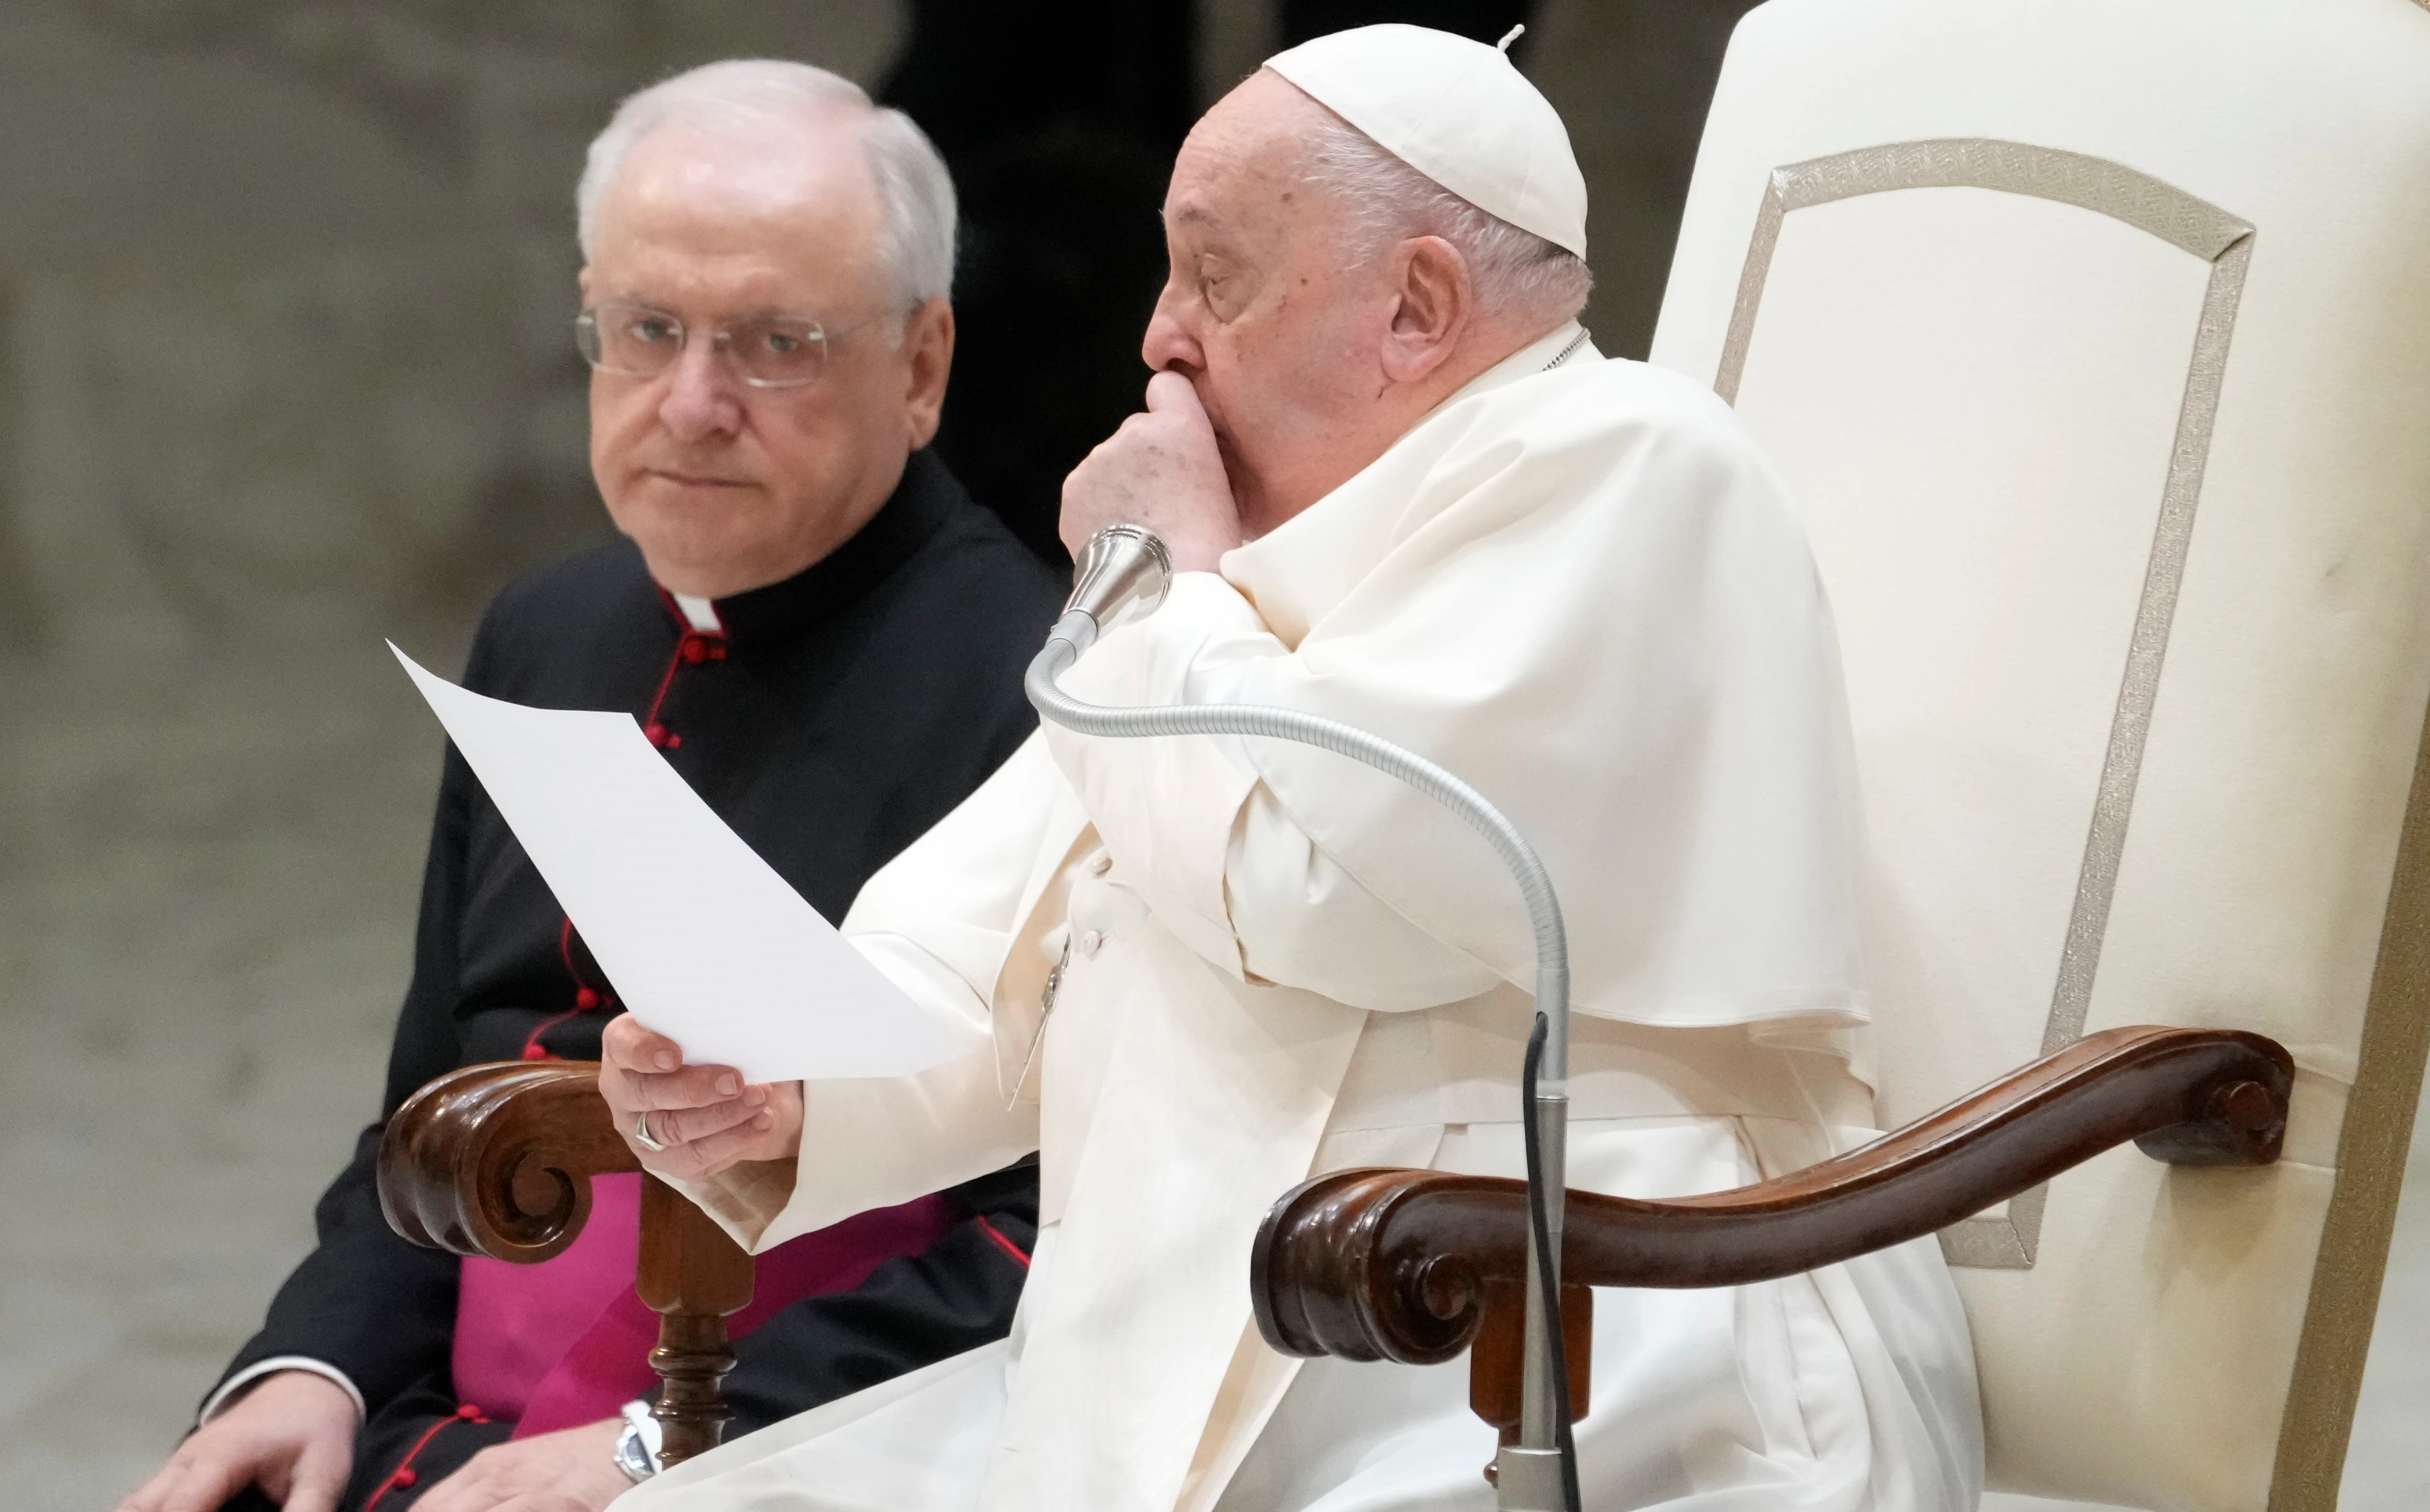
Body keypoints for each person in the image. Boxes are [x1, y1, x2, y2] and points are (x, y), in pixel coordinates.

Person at [601, 25, 1982, 1512]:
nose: (1159, 337)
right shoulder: (1229, 562)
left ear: (1417, 304)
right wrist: (791, 1087)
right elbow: (996, 946)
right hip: (1204, 1354)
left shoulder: (1622, 462)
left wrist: (1145, 583)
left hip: (1565, 1347)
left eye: (1216, 275)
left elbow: (1316, 893)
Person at [116, 60, 1063, 1512]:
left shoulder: (1048, 684)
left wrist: (669, 1440)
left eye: (776, 343)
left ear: (922, 365)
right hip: (452, 1433)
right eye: (647, 330)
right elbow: (431, 1105)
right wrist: (314, 1364)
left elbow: (1052, 1230)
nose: (692, 403)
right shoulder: (546, 631)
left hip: (807, 1443)